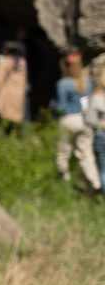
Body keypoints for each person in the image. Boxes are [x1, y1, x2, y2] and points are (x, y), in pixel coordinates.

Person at [53, 50, 101, 193]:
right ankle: (95, 184)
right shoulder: (87, 82)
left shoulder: (63, 84)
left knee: (63, 153)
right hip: (84, 121)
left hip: (68, 120)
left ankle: (64, 182)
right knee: (86, 155)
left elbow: (61, 107)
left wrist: (53, 105)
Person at [0, 41, 28, 134]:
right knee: (13, 117)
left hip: (6, 93)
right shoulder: (23, 63)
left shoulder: (5, 62)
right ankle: (10, 133)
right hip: (18, 95)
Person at [85, 66, 105, 198]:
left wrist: (99, 123)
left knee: (103, 170)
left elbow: (90, 119)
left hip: (101, 135)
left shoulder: (96, 97)